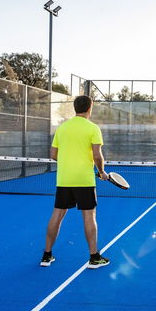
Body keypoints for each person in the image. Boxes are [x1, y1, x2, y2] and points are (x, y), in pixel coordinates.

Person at [40, 95, 110, 269]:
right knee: (89, 216)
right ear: (90, 108)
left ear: (75, 108)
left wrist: (68, 164)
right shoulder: (93, 128)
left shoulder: (62, 128)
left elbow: (53, 155)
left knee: (57, 215)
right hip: (84, 180)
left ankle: (46, 256)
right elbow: (96, 155)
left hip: (64, 179)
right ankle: (94, 257)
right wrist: (101, 172)